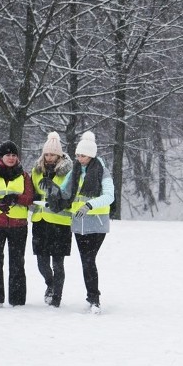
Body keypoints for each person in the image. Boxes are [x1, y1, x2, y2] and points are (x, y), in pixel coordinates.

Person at [39, 131, 114, 314]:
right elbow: (64, 192)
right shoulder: (75, 171)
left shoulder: (102, 171)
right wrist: (52, 190)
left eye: (83, 155)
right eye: (78, 155)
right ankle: (92, 297)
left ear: (92, 155)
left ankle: (95, 299)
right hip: (79, 224)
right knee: (86, 261)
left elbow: (109, 196)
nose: (79, 158)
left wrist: (89, 205)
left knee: (89, 260)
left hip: (97, 222)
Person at [0, 140, 34, 309]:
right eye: (7, 155)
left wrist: (15, 198)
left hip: (18, 225)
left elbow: (29, 198)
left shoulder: (24, 175)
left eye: (14, 155)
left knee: (17, 262)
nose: (11, 158)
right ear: (1, 157)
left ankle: (17, 300)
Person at [30, 132, 73, 308]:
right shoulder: (36, 170)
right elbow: (32, 191)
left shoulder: (69, 172)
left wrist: (54, 190)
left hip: (60, 223)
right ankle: (50, 284)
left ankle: (57, 297)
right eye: (46, 154)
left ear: (60, 155)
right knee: (41, 263)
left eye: (53, 154)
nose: (49, 157)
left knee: (58, 263)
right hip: (40, 221)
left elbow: (69, 196)